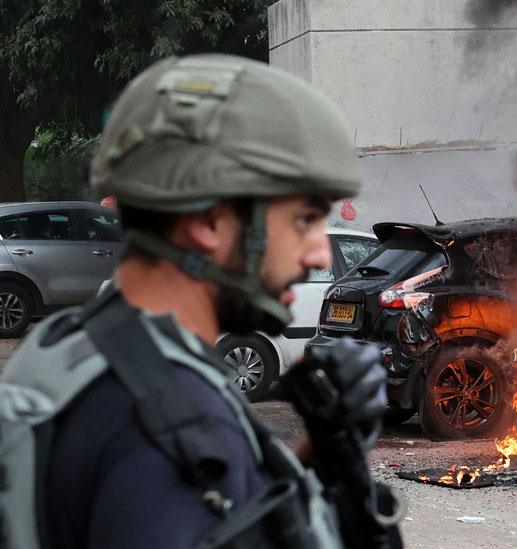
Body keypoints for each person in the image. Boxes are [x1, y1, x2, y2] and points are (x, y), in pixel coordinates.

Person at [0, 54, 402, 548]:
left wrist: (319, 453)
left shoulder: (70, 345)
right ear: (210, 221)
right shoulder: (172, 427)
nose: (320, 249)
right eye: (304, 219)